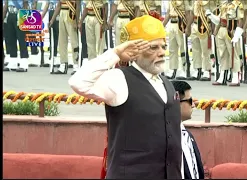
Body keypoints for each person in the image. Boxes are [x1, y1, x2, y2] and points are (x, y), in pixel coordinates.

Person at [68, 15, 182, 179]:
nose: (161, 53)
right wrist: (115, 54)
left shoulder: (167, 84)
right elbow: (78, 82)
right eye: (153, 48)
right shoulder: (119, 79)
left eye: (163, 47)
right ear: (135, 52)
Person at [171, 80, 205, 179]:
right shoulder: (164, 138)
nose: (193, 105)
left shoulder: (188, 135)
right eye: (190, 101)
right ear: (177, 103)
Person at [212, 0, 244, 86]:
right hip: (221, 30)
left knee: (234, 54)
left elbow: (240, 21)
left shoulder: (238, 5)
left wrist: (237, 35)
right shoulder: (224, 4)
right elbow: (219, 19)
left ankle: (235, 77)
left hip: (231, 31)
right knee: (222, 54)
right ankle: (222, 77)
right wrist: (215, 31)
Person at [162, 0, 192, 80]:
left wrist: (188, 27)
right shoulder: (171, 1)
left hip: (181, 24)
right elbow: (168, 14)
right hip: (172, 24)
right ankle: (172, 68)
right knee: (172, 49)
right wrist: (162, 26)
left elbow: (187, 13)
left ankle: (183, 69)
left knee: (183, 48)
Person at [49, 0, 81, 75]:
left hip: (71, 14)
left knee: (74, 41)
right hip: (62, 13)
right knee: (62, 41)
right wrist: (52, 19)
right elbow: (59, 5)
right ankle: (63, 64)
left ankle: (76, 65)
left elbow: (78, 5)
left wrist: (76, 20)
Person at [188, 0, 216, 81]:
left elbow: (213, 14)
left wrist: (213, 28)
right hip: (195, 24)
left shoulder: (210, 2)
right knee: (195, 49)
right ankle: (197, 69)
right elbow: (192, 14)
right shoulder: (195, 1)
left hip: (205, 24)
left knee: (206, 50)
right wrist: (188, 26)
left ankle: (207, 70)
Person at [3, 0, 31, 72]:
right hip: (10, 14)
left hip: (20, 14)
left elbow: (25, 4)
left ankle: (24, 63)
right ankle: (13, 62)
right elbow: (6, 4)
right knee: (10, 40)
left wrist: (24, 20)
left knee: (22, 40)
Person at [41, 1, 61, 68]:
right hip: (51, 14)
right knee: (52, 38)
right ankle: (52, 57)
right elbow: (47, 5)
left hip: (59, 15)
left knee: (59, 38)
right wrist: (40, 18)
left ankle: (59, 59)